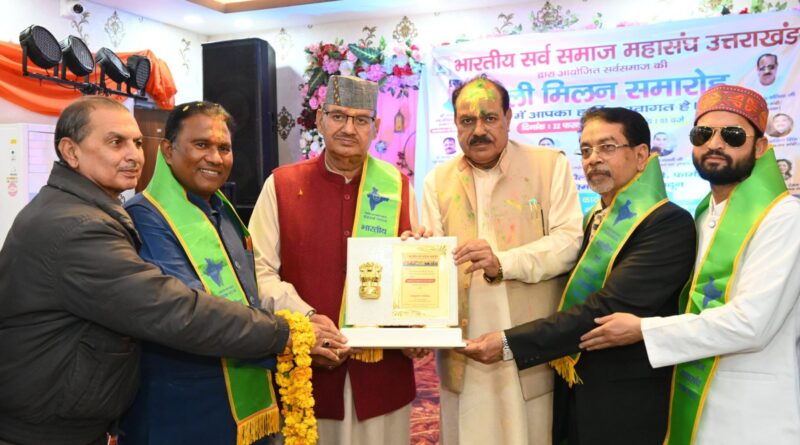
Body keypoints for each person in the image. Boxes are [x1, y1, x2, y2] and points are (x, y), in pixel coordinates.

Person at [0, 96, 325, 445]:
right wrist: (283, 332)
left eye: (137, 143)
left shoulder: (89, 210)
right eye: (116, 142)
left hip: (65, 419)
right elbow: (172, 309)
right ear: (71, 151)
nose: (134, 155)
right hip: (51, 428)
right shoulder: (80, 227)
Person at [462, 106, 696, 444]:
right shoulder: (594, 218)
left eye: (607, 147)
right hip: (578, 387)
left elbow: (605, 309)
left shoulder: (668, 224)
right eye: (586, 150)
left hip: (625, 401)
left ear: (641, 155)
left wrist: (509, 342)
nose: (593, 159)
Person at [579, 84, 800, 444]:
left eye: (732, 135)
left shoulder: (784, 218)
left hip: (754, 418)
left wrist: (645, 330)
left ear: (760, 147)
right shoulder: (701, 215)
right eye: (703, 134)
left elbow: (750, 324)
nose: (715, 144)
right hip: (692, 404)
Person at [116, 102, 340, 444]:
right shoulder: (145, 218)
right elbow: (190, 314)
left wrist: (301, 326)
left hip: (241, 403)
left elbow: (248, 298)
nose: (215, 158)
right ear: (168, 150)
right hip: (181, 410)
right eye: (201, 145)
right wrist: (287, 337)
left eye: (224, 148)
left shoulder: (224, 211)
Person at [249, 75, 425, 445]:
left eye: (361, 119)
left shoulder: (398, 187)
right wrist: (307, 319)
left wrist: (418, 317)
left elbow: (415, 267)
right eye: (338, 116)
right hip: (308, 369)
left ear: (376, 126)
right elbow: (258, 271)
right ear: (320, 119)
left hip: (383, 373)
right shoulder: (281, 186)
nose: (348, 128)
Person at [422, 75, 584, 445]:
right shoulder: (437, 181)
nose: (479, 130)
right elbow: (432, 262)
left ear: (509, 118)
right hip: (462, 347)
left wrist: (503, 263)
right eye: (467, 121)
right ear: (455, 124)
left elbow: (568, 242)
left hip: (528, 340)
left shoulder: (549, 166)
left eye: (490, 118)